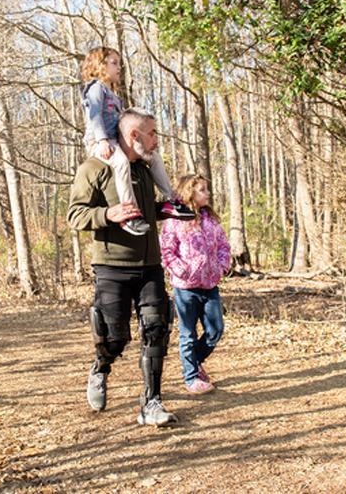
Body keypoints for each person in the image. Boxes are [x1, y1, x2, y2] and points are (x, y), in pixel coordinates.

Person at [67, 108, 179, 427]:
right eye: (152, 134)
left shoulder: (144, 170)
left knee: (157, 331)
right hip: (112, 267)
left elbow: (145, 212)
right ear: (134, 135)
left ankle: (152, 403)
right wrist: (107, 214)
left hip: (150, 266)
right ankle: (100, 368)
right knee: (115, 338)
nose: (156, 140)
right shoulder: (95, 167)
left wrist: (169, 209)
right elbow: (75, 215)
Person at [81, 46, 194, 236]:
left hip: (115, 141)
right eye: (114, 63)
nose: (119, 68)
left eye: (119, 63)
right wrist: (101, 141)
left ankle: (171, 200)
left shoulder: (114, 96)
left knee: (154, 158)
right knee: (121, 163)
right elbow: (94, 116)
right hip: (100, 141)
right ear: (100, 65)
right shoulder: (95, 88)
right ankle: (130, 213)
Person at [159, 175, 231, 394]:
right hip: (185, 288)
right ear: (189, 193)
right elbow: (166, 251)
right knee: (187, 334)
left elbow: (223, 246)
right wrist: (183, 270)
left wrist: (221, 267)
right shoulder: (175, 220)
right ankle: (191, 377)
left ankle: (194, 361)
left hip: (210, 285)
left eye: (207, 189)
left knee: (215, 330)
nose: (207, 193)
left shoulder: (211, 219)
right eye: (202, 190)